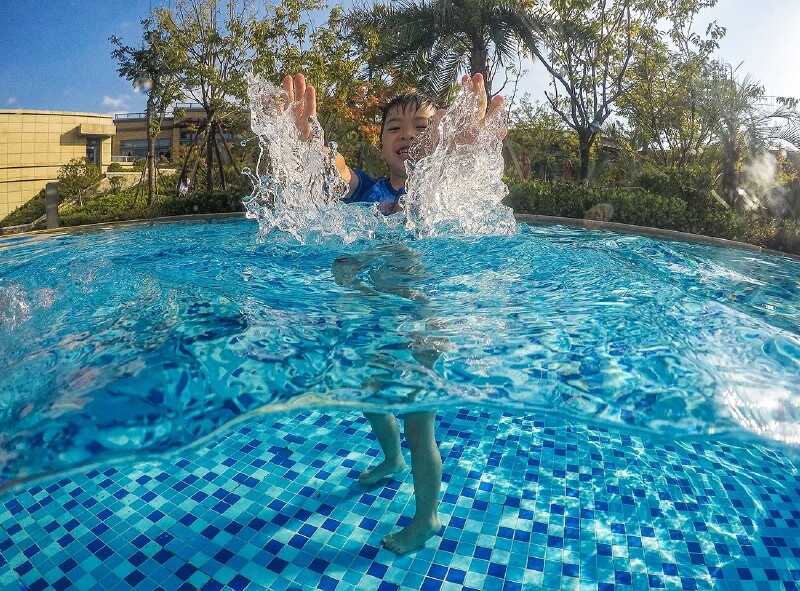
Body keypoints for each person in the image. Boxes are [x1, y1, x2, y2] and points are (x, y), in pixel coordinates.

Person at [282, 72, 503, 554]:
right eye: (395, 128)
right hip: (374, 319)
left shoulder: (444, 197)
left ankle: (426, 519)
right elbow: (335, 175)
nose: (407, 135)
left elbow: (461, 182)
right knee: (369, 396)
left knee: (419, 425)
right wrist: (312, 147)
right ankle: (391, 461)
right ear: (381, 143)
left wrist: (465, 152)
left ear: (438, 139)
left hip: (422, 325)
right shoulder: (367, 190)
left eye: (422, 127)